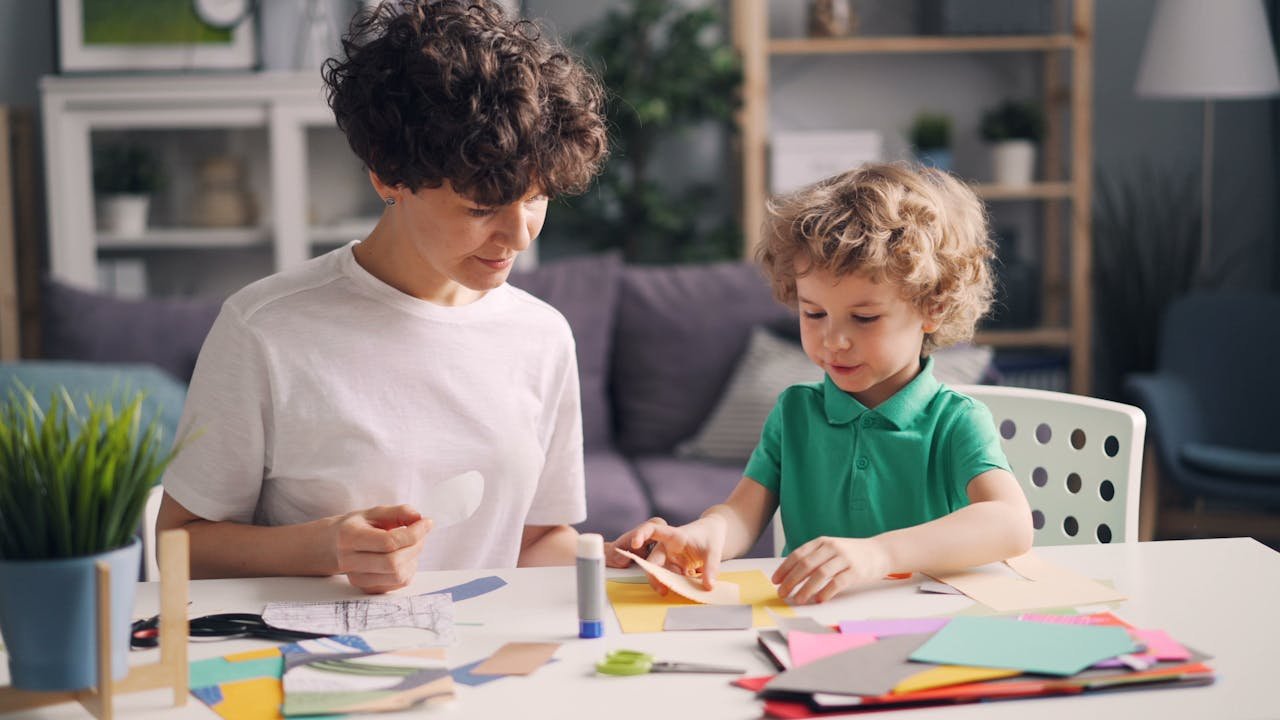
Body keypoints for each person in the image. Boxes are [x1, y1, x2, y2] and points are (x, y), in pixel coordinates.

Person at [157, 0, 608, 594]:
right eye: (480, 208)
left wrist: (616, 567)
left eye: (535, 198)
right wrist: (328, 546)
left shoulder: (542, 335)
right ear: (387, 175)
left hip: (490, 662)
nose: (518, 235)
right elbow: (179, 548)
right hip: (320, 660)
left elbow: (538, 538)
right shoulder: (264, 328)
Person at [607, 163, 1033, 604]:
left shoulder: (956, 422)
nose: (833, 340)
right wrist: (706, 533)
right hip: (811, 625)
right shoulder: (795, 413)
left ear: (933, 308)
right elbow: (740, 514)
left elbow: (1011, 524)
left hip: (925, 627)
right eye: (814, 313)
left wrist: (879, 554)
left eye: (864, 318)